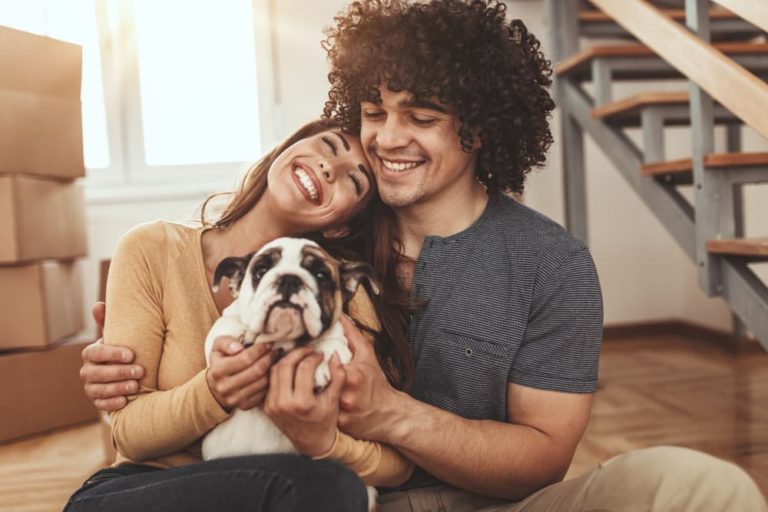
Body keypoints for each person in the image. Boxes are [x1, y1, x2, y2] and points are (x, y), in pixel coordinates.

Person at [82, 1, 768, 511]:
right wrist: (118, 360)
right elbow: (210, 295)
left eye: (423, 116)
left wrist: (388, 414)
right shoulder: (323, 239)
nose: (384, 139)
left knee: (704, 487)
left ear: (480, 129)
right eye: (373, 111)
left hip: (478, 502)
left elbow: (542, 460)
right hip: (326, 495)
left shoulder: (548, 263)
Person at [68, 118, 416, 512]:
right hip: (148, 488)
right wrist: (214, 392)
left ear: (342, 226)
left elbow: (396, 463)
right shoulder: (152, 249)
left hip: (288, 489)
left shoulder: (340, 296)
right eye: (327, 146)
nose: (328, 168)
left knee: (333, 489)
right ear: (288, 148)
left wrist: (325, 443)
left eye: (354, 181)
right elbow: (129, 435)